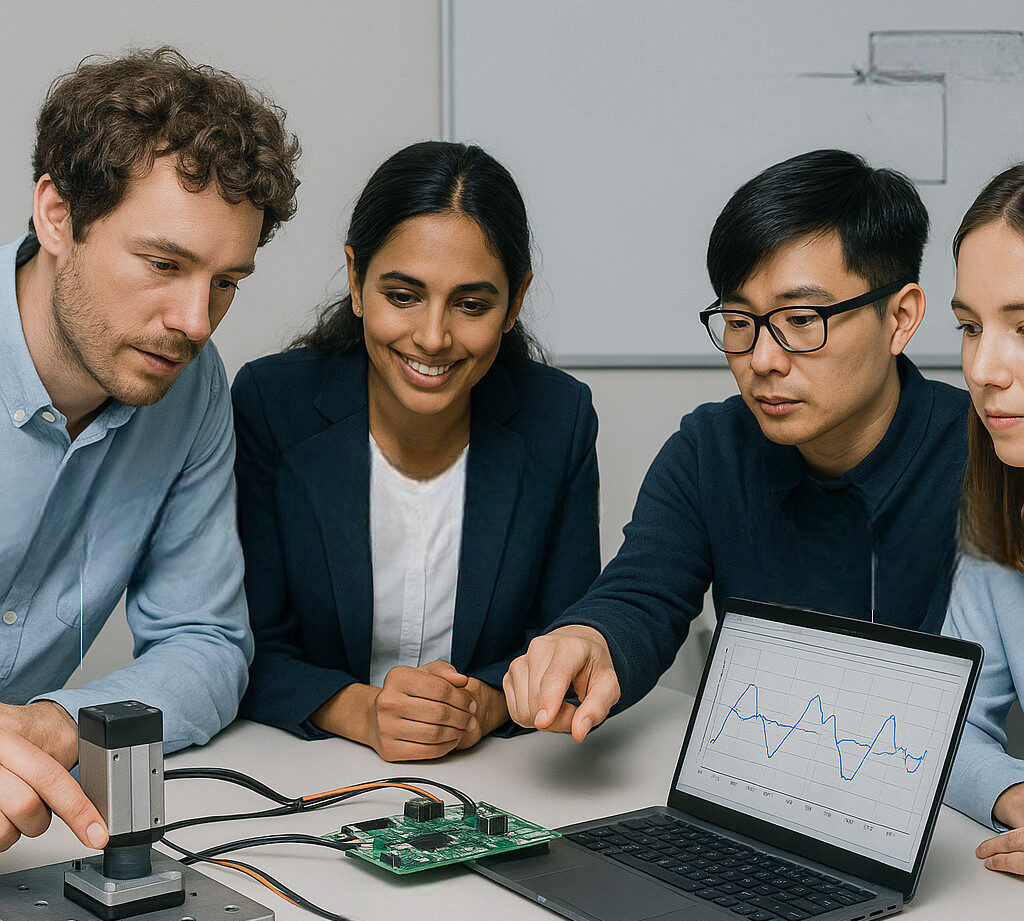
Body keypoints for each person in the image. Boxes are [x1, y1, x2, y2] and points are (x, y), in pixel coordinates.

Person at [503, 149, 970, 741]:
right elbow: (643, 592)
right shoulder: (711, 449)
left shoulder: (983, 460)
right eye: (738, 319)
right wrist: (588, 638)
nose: (761, 360)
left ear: (900, 318)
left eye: (802, 320)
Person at [0, 47, 300, 853]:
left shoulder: (191, 388)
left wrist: (55, 725)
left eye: (226, 281)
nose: (197, 322)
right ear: (57, 216)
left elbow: (207, 646)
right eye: (164, 264)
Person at [232, 141, 600, 761]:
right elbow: (239, 644)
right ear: (355, 279)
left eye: (472, 304)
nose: (433, 338)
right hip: (303, 766)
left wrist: (480, 707)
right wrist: (364, 713)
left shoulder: (557, 419)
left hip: (497, 775)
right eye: (402, 296)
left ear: (515, 301)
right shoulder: (275, 404)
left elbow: (564, 639)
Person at [941, 164, 1024, 876]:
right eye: (970, 327)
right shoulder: (1001, 527)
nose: (984, 368)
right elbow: (952, 731)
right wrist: (1017, 795)